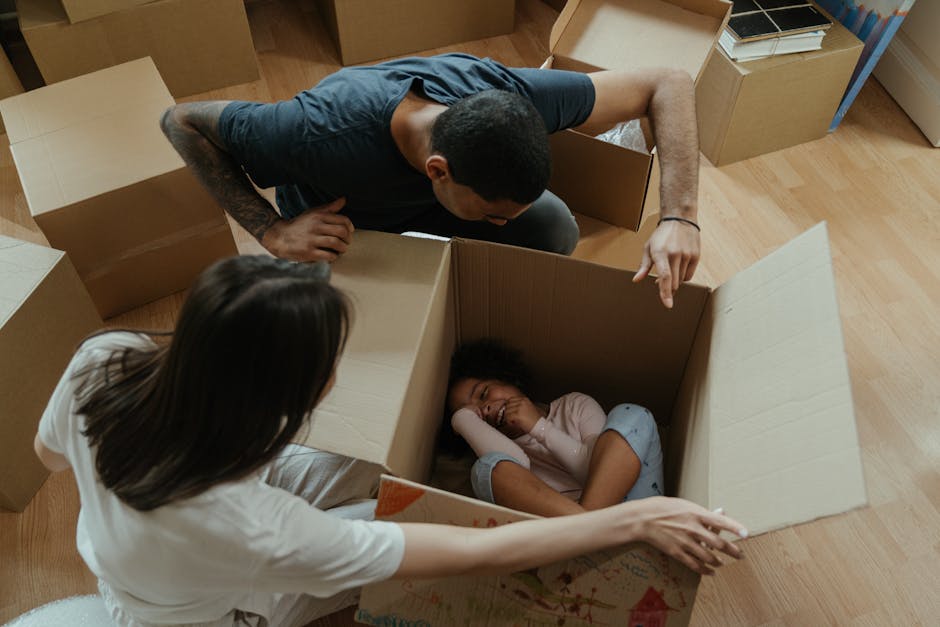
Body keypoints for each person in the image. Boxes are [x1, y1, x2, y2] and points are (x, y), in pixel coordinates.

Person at [34, 255, 746, 627]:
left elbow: (48, 454)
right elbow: (475, 548)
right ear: (279, 401)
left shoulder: (108, 359)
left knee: (378, 477)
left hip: (169, 538)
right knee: (416, 517)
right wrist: (636, 519)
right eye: (330, 364)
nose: (338, 374)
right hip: (209, 611)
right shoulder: (256, 529)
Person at [160, 53, 702, 309]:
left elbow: (668, 79)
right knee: (332, 323)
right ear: (438, 170)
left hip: (425, 200)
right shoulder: (311, 132)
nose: (499, 224)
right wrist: (271, 230)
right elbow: (181, 122)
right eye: (492, 214)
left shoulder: (516, 94)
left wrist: (680, 216)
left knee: (554, 227)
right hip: (339, 221)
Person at [445, 339, 664, 517]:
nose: (484, 409)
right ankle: (588, 531)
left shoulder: (573, 405)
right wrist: (463, 419)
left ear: (506, 378)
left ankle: (587, 529)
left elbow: (596, 472)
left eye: (484, 393)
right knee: (485, 469)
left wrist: (539, 428)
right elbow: (518, 462)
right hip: (567, 538)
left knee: (632, 415)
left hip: (627, 510)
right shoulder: (502, 457)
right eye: (473, 415)